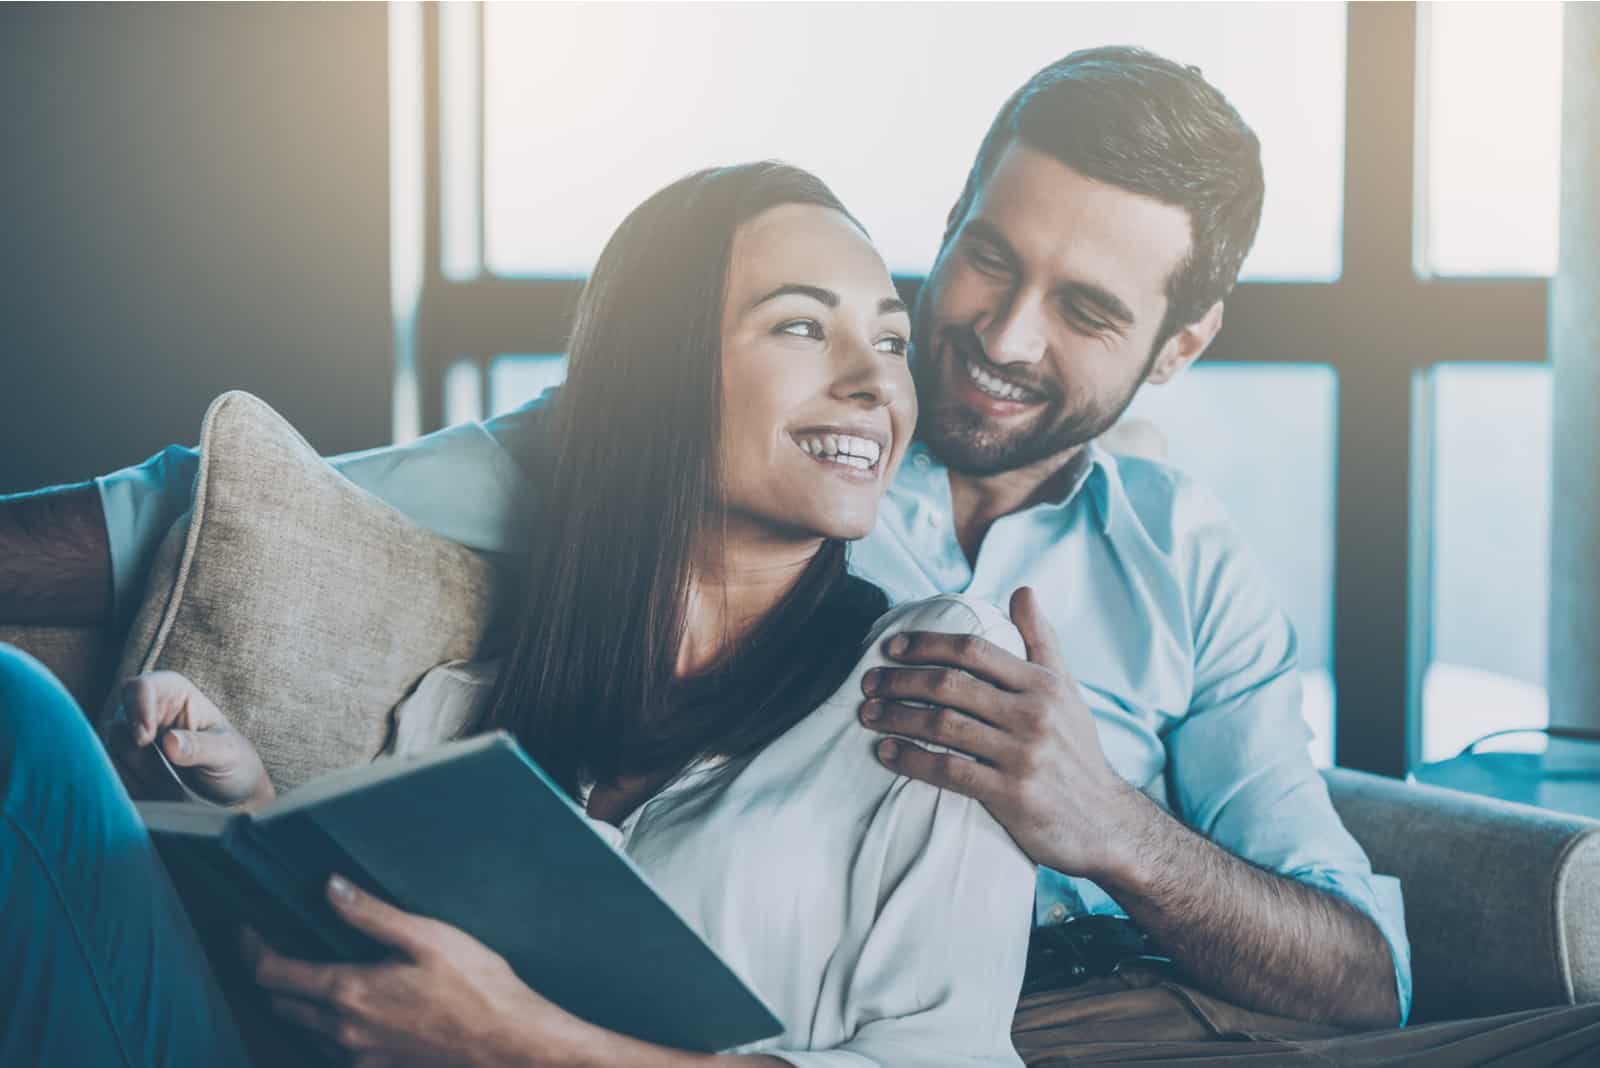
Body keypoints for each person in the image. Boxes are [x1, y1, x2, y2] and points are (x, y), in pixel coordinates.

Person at [6, 46, 1600, 1065]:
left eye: (1086, 311)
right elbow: (220, 509)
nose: (998, 339)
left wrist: (1103, 821)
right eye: (985, 261)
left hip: (1137, 1012)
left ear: (1178, 348)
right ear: (952, 220)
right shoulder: (685, 471)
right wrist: (249, 805)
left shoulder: (1180, 560)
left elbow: (1362, 974)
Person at [0, 162, 1040, 1065]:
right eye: (804, 327)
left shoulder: (938, 678)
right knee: (30, 726)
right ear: (656, 372)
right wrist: (244, 821)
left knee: (20, 717)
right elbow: (368, 995)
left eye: (891, 340)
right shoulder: (463, 707)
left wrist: (524, 1048)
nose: (875, 383)